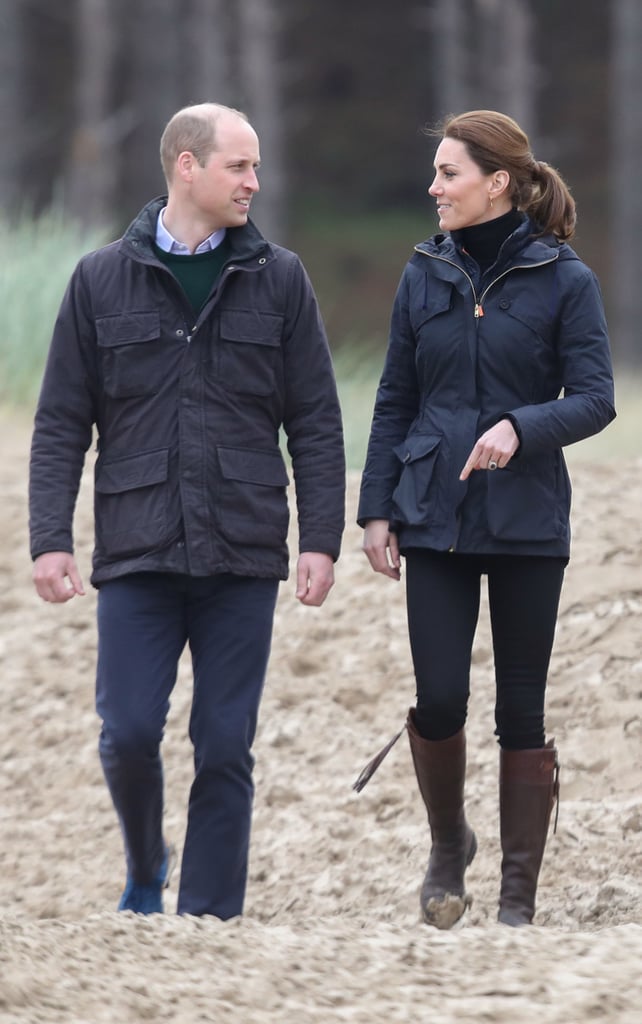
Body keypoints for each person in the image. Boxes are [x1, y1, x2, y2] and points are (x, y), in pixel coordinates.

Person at [29, 102, 345, 919]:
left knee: (225, 745)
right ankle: (145, 862)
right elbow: (63, 418)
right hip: (137, 546)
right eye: (240, 165)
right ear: (186, 167)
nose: (254, 182)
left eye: (257, 166)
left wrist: (321, 540)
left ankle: (210, 917)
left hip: (243, 548)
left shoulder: (281, 279)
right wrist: (49, 540)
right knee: (129, 731)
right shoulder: (100, 279)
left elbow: (314, 418)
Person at [356, 110, 615, 928]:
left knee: (521, 713)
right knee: (438, 700)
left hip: (528, 522)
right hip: (431, 514)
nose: (433, 188)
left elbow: (598, 399)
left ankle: (515, 899)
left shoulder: (565, 279)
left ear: (497, 182)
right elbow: (395, 396)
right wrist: (374, 512)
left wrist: (520, 426)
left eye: (449, 174)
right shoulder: (422, 274)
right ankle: (447, 847)